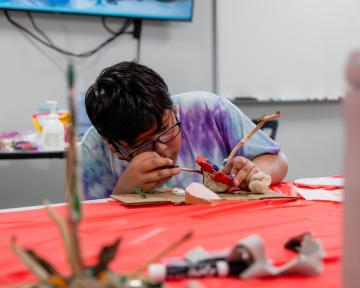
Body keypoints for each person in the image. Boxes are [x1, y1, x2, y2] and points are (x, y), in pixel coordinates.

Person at [81, 61, 288, 200]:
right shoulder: (94, 147)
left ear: (175, 110)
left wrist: (252, 176)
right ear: (112, 144)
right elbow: (84, 229)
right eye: (142, 144)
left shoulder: (207, 108)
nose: (161, 149)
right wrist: (124, 192)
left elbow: (278, 161)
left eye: (165, 129)